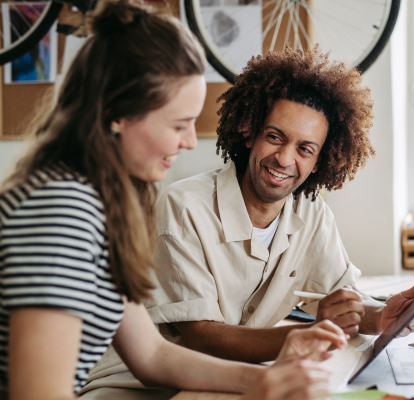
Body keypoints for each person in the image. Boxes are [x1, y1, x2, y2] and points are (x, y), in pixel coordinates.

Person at [0, 2, 348, 400]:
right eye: (179, 124)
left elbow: (151, 354)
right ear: (118, 114)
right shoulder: (61, 211)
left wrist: (263, 381)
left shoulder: (102, 203)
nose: (187, 141)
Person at [83, 46, 414, 395]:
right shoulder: (185, 206)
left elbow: (344, 300)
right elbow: (202, 337)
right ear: (249, 133)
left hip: (223, 381)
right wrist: (302, 335)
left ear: (319, 161)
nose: (284, 159)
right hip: (135, 386)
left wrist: (382, 316)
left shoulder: (310, 212)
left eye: (304, 149)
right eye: (275, 137)